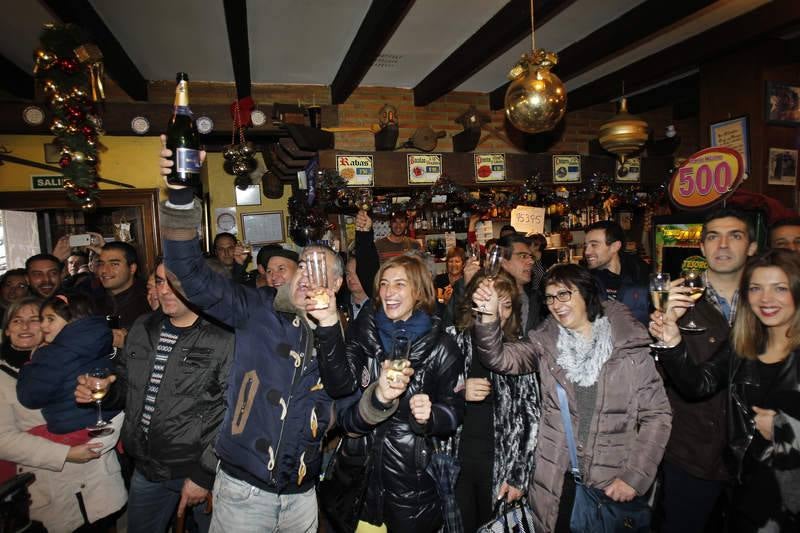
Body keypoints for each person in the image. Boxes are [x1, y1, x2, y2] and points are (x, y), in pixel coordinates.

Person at [159, 140, 362, 532]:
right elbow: (187, 274)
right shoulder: (258, 308)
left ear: (336, 283)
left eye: (320, 269)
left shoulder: (344, 333)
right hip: (244, 492)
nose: (308, 275)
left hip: (303, 495)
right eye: (304, 265)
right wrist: (181, 194)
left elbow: (345, 400)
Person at [472, 263, 672, 532]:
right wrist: (487, 317)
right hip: (556, 481)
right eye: (551, 297)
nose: (556, 303)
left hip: (611, 482)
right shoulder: (545, 343)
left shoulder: (627, 346)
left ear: (586, 294)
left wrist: (635, 477)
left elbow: (657, 415)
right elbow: (498, 358)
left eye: (564, 294)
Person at [75, 261, 234, 533]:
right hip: (147, 465)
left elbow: (234, 414)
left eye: (176, 282)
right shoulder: (144, 326)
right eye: (160, 281)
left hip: (198, 467)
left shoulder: (225, 336)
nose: (165, 291)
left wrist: (204, 475)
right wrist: (106, 390)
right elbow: (127, 384)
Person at [652, 249, 800, 532]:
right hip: (749, 485)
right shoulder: (745, 343)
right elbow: (698, 384)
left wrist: (784, 427)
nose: (766, 299)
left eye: (779, 288)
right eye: (756, 288)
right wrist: (671, 337)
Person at [336, 254, 464, 532]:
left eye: (399, 284)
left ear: (418, 291)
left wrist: (430, 417)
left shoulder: (442, 346)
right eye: (384, 284)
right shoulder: (363, 334)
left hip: (412, 485)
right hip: (360, 477)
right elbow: (341, 391)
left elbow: (454, 412)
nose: (388, 292)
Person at [657, 208, 757, 533]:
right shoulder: (680, 299)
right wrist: (661, 328)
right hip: (692, 452)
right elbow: (656, 377)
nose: (723, 245)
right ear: (701, 248)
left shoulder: (769, 300)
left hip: (757, 453)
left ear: (751, 247)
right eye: (713, 237)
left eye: (735, 236)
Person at [0, 297, 127, 532]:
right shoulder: (2, 376)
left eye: (36, 319)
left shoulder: (80, 357)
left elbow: (114, 408)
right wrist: (65, 453)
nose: (27, 326)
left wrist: (99, 441)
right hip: (46, 490)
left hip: (99, 484)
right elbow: (4, 440)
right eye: (18, 321)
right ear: (7, 329)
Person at [450, 271, 539, 531]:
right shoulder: (454, 342)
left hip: (501, 466)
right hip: (458, 463)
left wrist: (519, 477)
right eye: (491, 302)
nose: (499, 312)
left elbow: (532, 419)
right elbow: (428, 397)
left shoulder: (518, 350)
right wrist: (460, 392)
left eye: (507, 305)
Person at [17, 293, 118, 435]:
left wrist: (29, 365)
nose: (43, 325)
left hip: (73, 428)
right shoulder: (101, 338)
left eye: (50, 319)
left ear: (72, 320)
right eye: (42, 319)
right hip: (111, 419)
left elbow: (30, 397)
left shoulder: (52, 354)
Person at [583, 220, 650, 324]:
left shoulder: (642, 274)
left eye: (594, 245)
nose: (587, 252)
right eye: (586, 246)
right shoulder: (584, 280)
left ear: (615, 246)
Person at [95, 242, 151, 348]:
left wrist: (128, 341)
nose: (104, 270)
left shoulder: (149, 301)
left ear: (132, 268)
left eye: (114, 264)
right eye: (101, 264)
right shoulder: (93, 302)